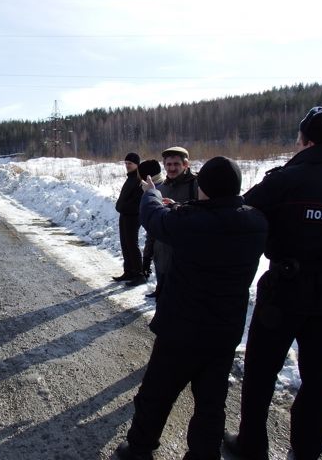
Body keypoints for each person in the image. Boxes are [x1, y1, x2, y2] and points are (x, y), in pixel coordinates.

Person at [224, 107, 322, 460]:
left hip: (283, 292)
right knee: (317, 377)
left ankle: (251, 444)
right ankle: (308, 448)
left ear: (306, 140)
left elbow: (240, 220)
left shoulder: (284, 180)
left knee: (261, 372)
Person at [115, 156, 268, 460]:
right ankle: (204, 453)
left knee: (157, 393)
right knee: (211, 401)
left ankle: (139, 448)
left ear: (204, 187)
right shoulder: (256, 222)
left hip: (181, 327)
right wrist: (178, 207)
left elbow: (153, 217)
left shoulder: (190, 222)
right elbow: (214, 219)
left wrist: (152, 193)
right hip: (224, 329)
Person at [143, 147, 198, 299]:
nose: (172, 168)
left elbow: (203, 216)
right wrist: (147, 256)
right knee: (163, 301)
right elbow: (153, 225)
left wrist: (177, 207)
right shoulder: (160, 189)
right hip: (161, 256)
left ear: (185, 165)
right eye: (168, 164)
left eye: (176, 164)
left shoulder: (196, 186)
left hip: (184, 257)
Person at [113, 152, 145, 286]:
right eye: (126, 163)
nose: (127, 165)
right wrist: (120, 206)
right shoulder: (130, 178)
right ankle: (129, 271)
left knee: (132, 244)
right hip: (124, 215)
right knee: (125, 244)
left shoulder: (139, 179)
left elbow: (137, 202)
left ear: (137, 164)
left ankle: (139, 274)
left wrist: (122, 206)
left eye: (130, 163)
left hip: (133, 217)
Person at [138, 160, 165, 293]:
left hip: (161, 239)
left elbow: (153, 226)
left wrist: (146, 257)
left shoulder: (156, 190)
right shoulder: (155, 187)